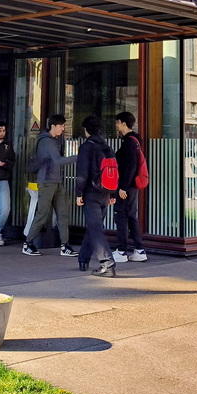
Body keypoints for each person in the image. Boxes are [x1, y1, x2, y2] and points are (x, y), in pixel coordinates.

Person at [22, 114, 78, 257]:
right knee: (42, 214)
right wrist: (79, 156)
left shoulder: (53, 140)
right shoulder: (46, 141)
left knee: (63, 214)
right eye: (61, 126)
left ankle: (65, 246)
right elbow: (58, 160)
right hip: (46, 182)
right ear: (53, 126)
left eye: (63, 126)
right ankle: (27, 243)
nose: (63, 129)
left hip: (57, 181)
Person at [74, 115, 117, 277]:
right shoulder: (107, 147)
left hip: (91, 192)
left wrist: (79, 193)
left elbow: (82, 174)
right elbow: (113, 172)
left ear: (86, 130)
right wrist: (113, 193)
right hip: (106, 192)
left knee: (95, 228)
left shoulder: (87, 147)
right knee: (95, 226)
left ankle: (107, 264)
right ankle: (83, 259)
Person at [111, 111, 147, 263]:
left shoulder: (129, 143)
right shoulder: (135, 141)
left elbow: (130, 167)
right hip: (132, 186)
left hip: (127, 187)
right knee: (131, 216)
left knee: (121, 215)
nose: (117, 125)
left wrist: (122, 187)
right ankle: (139, 250)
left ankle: (121, 251)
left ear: (123, 123)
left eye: (118, 122)